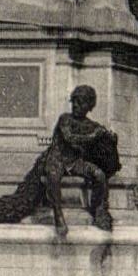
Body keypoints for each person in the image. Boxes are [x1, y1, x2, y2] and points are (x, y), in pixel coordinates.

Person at [39, 84, 119, 236]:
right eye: (74, 101)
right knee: (53, 176)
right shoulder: (65, 119)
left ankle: (99, 209)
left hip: (75, 162)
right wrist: (94, 136)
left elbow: (104, 142)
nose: (75, 105)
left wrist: (111, 139)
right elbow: (69, 138)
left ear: (90, 106)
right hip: (57, 158)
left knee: (99, 174)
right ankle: (58, 215)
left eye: (80, 102)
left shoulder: (92, 125)